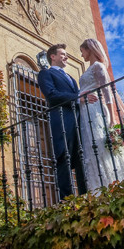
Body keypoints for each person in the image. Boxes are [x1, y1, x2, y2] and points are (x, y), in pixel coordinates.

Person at [77, 39, 124, 190]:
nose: (81, 55)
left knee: (100, 145)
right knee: (91, 147)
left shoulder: (98, 67)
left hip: (96, 110)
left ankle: (114, 183)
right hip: (85, 113)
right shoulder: (89, 69)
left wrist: (112, 119)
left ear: (90, 49)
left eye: (83, 51)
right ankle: (98, 186)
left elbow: (107, 93)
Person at [37, 43, 88, 199]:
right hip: (61, 119)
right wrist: (78, 98)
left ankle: (86, 196)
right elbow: (51, 95)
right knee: (63, 157)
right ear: (53, 56)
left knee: (81, 159)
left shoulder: (72, 78)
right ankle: (67, 200)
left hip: (78, 121)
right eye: (63, 54)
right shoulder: (46, 73)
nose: (66, 57)